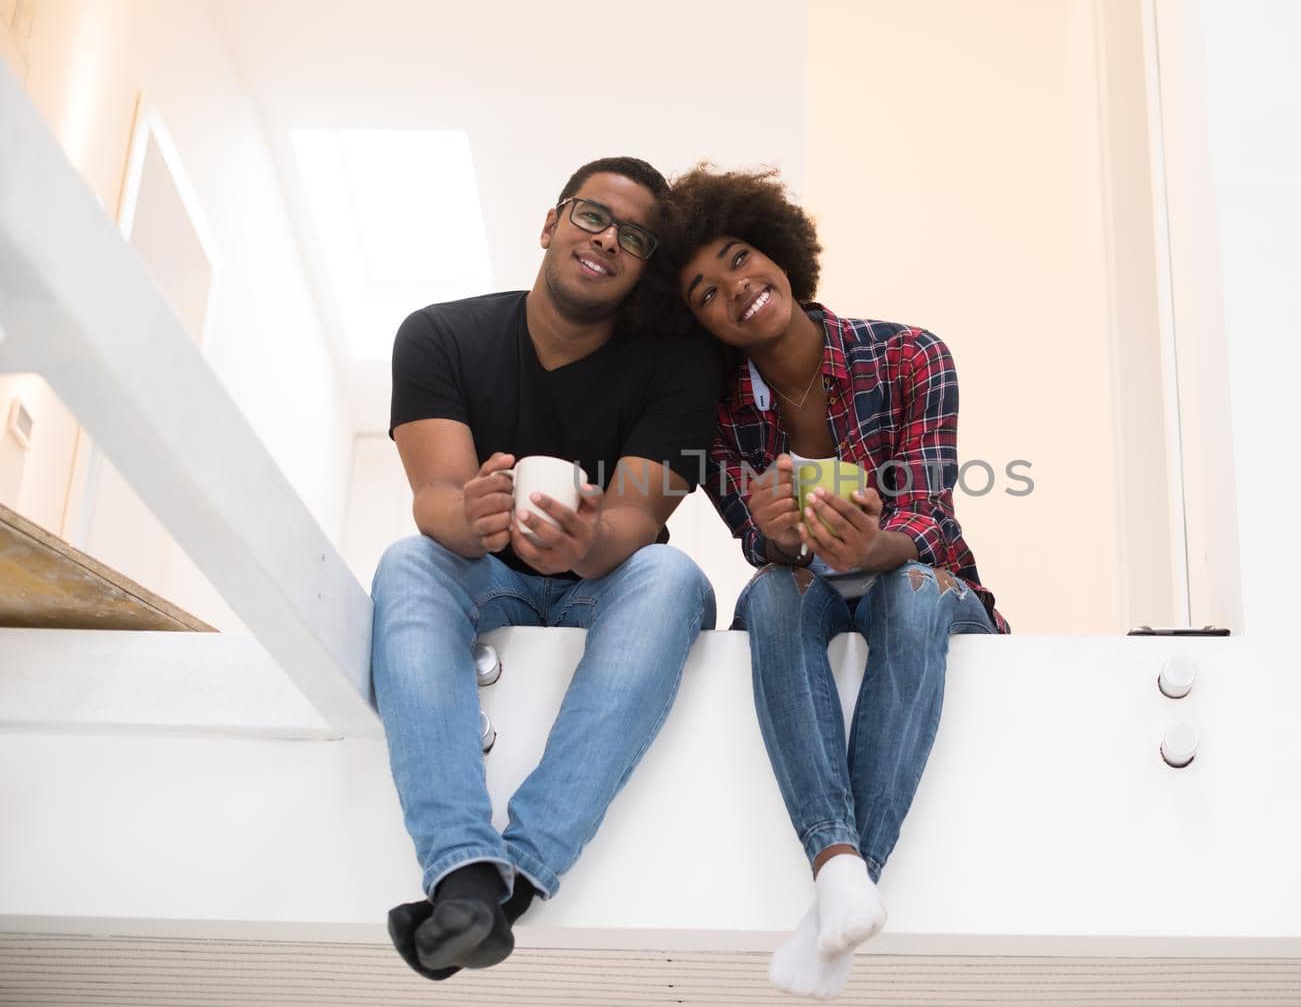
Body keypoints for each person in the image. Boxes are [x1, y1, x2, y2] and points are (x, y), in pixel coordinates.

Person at [663, 165, 1008, 1000]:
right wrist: (777, 538)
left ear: (779, 250)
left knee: (912, 591)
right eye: (706, 292)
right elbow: (757, 546)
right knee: (767, 597)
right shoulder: (718, 416)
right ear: (697, 322)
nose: (735, 289)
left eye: (742, 257)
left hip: (925, 589)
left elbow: (929, 520)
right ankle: (841, 876)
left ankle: (840, 889)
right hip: (809, 594)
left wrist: (874, 548)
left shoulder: (910, 353)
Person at [373, 156, 721, 980]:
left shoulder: (679, 368)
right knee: (407, 563)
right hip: (481, 573)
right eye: (593, 216)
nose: (607, 240)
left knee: (674, 579)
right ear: (551, 222)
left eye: (634, 239)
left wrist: (584, 544)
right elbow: (434, 499)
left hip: (603, 582)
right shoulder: (440, 333)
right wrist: (470, 512)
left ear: (643, 272)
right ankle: (461, 867)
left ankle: (512, 879)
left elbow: (638, 518)